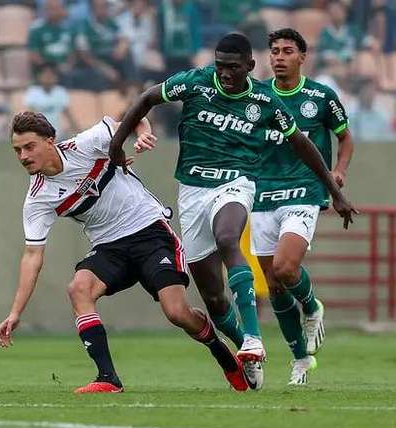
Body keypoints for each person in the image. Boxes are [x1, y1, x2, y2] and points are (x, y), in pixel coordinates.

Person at [108, 33, 357, 391]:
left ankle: (255, 339)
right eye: (220, 66)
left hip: (238, 182)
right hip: (192, 190)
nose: (225, 74)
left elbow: (302, 144)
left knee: (230, 238)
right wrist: (118, 143)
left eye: (233, 68)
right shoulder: (194, 82)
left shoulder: (263, 99)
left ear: (249, 67)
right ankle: (244, 344)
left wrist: (335, 191)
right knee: (212, 296)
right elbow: (147, 97)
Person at [0, 111, 249, 394]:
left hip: (150, 232)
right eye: (17, 150)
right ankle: (108, 378)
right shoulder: (38, 198)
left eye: (29, 147)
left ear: (50, 141)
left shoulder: (87, 144)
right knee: (79, 288)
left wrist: (143, 133)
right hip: (109, 247)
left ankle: (219, 350)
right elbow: (32, 256)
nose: (23, 156)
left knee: (177, 313)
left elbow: (134, 115)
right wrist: (15, 312)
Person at [255, 28, 356, 385]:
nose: (279, 57)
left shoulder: (321, 97)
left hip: (305, 191)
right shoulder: (258, 95)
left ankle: (312, 307)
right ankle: (300, 359)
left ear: (302, 57)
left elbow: (345, 137)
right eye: (274, 51)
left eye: (286, 51)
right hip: (261, 194)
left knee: (285, 267)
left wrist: (338, 172)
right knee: (274, 285)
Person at [23, 63, 79, 137]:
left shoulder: (61, 92)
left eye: (51, 75)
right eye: (45, 75)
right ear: (39, 77)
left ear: (56, 77)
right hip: (38, 133)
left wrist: (77, 129)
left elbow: (67, 113)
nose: (48, 77)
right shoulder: (33, 92)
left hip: (56, 133)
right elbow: (30, 114)